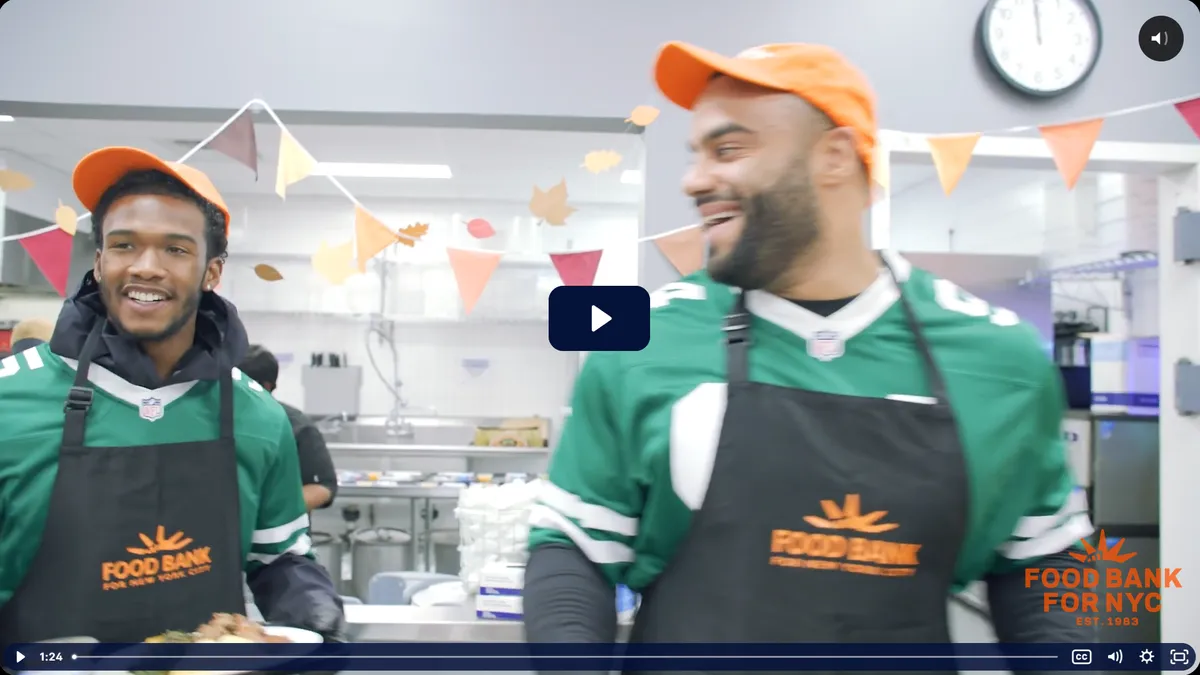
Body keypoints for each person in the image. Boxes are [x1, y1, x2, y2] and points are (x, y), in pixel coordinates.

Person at [524, 42, 1095, 656]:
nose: (694, 180)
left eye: (729, 149)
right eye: (696, 155)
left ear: (834, 157)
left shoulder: (999, 361)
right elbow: (574, 548)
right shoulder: (642, 339)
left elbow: (1042, 566)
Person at [0, 146, 344, 646]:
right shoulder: (9, 402)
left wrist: (312, 625)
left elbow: (280, 558)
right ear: (99, 262)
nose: (146, 267)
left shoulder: (257, 416)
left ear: (212, 272)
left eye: (176, 250)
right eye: (124, 245)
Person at [239, 344, 339, 512]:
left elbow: (323, 486)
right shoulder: (210, 421)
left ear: (266, 386)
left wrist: (272, 511)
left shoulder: (297, 427)